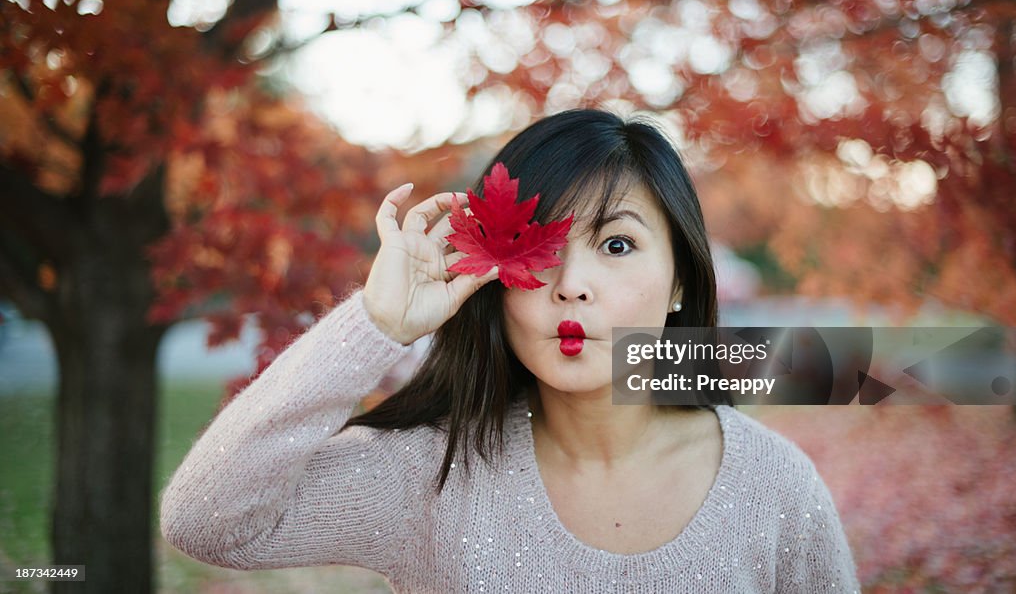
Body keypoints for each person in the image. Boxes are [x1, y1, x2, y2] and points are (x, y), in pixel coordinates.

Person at [160, 109, 860, 592]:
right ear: (495, 280)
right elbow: (204, 523)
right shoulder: (431, 474)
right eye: (540, 249)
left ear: (680, 279)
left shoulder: (773, 487)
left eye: (616, 245)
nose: (572, 287)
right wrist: (375, 326)